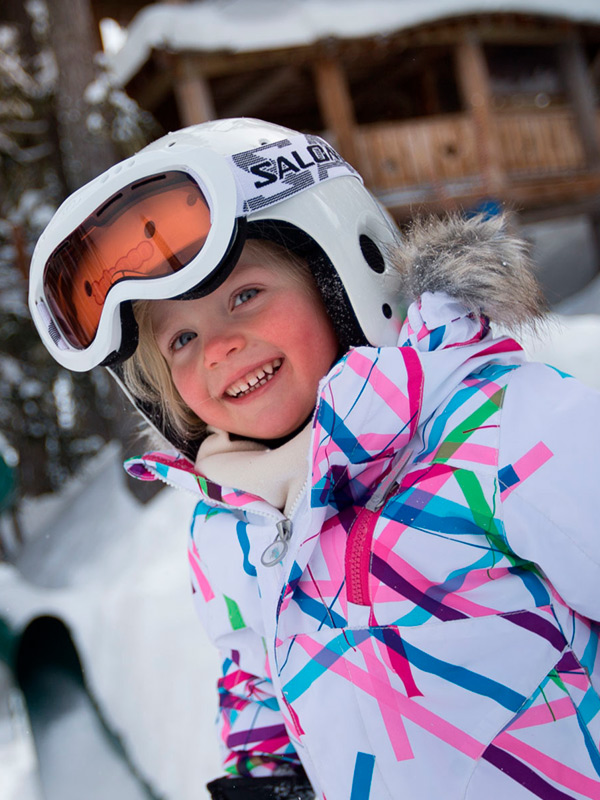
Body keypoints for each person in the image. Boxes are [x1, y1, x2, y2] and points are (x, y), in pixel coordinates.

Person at [29, 118, 600, 800]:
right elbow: (257, 677)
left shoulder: (503, 431)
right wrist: (269, 777)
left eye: (244, 296)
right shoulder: (232, 529)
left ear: (339, 277)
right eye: (180, 339)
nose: (218, 347)